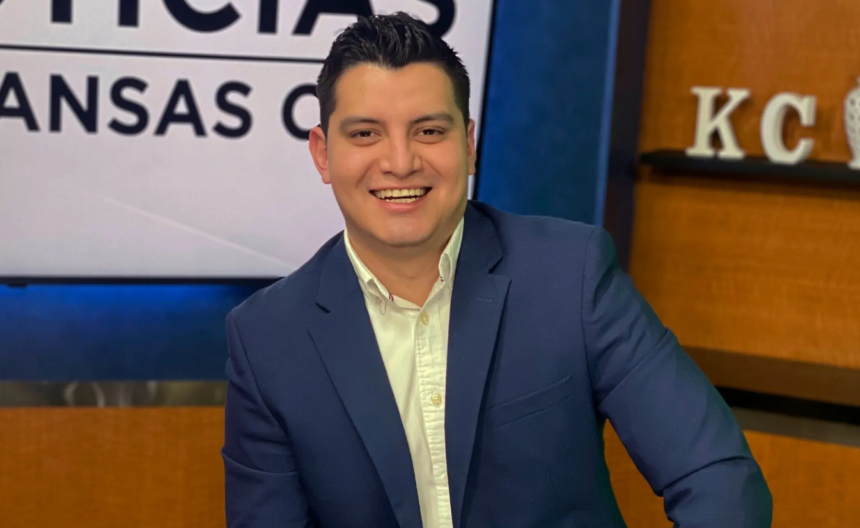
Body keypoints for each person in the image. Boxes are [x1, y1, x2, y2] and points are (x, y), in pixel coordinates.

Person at [222, 12, 772, 528]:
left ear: (469, 143)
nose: (400, 161)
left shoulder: (570, 275)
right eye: (365, 133)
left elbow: (717, 475)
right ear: (322, 153)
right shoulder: (268, 338)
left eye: (429, 132)